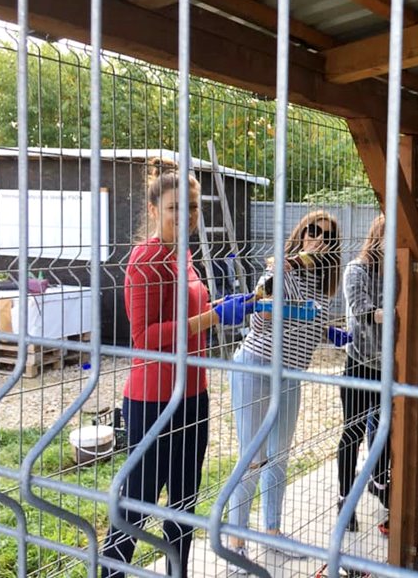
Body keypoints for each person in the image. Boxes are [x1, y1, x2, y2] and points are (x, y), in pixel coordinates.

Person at [102, 158, 254, 578]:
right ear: (154, 210)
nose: (186, 215)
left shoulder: (182, 253)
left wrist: (223, 305)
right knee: (138, 501)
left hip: (192, 393)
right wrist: (212, 317)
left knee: (185, 500)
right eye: (175, 208)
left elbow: (189, 311)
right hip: (153, 399)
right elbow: (144, 336)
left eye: (193, 207)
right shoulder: (146, 258)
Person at [227, 210, 342, 569]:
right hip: (257, 368)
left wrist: (335, 334)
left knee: (279, 456)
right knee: (253, 457)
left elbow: (311, 326)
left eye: (327, 236)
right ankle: (235, 542)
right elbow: (260, 320)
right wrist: (278, 276)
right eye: (313, 231)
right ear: (301, 233)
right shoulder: (281, 270)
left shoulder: (323, 284)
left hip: (291, 375)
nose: (318, 239)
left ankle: (272, 532)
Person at [337, 214, 391, 535]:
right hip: (359, 364)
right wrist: (397, 312)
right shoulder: (356, 270)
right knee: (353, 434)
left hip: (390, 369)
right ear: (377, 236)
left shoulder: (398, 271)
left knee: (386, 431)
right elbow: (362, 310)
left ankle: (380, 482)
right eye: (389, 235)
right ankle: (345, 500)